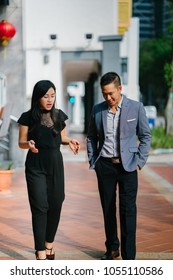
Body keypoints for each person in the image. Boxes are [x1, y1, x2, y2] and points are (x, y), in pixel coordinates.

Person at [86, 72, 152, 260]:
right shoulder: (98, 110)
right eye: (105, 94)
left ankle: (128, 256)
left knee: (128, 211)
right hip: (105, 166)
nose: (109, 98)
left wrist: (139, 162)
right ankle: (112, 248)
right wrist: (93, 161)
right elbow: (91, 137)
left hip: (128, 167)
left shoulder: (136, 108)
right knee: (108, 210)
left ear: (120, 89)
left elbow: (146, 136)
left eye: (112, 93)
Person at [18, 80, 80, 260]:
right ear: (38, 97)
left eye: (52, 96)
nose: (50, 99)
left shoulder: (59, 116)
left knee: (56, 201)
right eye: (46, 96)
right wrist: (27, 144)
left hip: (55, 165)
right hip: (35, 166)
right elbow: (21, 142)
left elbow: (61, 137)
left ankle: (49, 244)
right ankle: (40, 252)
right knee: (39, 206)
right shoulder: (27, 117)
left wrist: (70, 141)